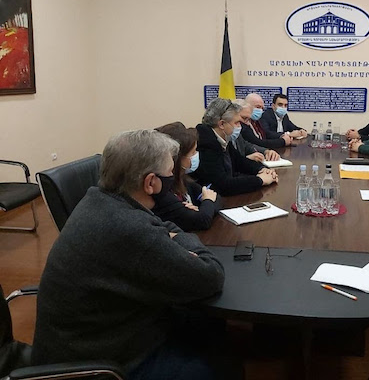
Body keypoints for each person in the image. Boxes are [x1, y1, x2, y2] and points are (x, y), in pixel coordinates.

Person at [33, 129, 229, 380]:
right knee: (222, 365)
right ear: (150, 182)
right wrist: (182, 238)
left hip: (92, 335)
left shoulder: (99, 198)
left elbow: (161, 225)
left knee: (206, 323)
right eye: (170, 173)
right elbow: (210, 275)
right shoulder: (128, 228)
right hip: (98, 362)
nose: (172, 178)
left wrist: (169, 235)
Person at [193, 98, 278, 196]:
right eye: (236, 122)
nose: (239, 126)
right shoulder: (205, 143)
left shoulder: (223, 138)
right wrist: (260, 180)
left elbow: (239, 161)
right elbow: (224, 185)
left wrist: (262, 169)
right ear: (221, 124)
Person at [153, 122, 222, 231]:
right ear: (177, 158)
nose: (196, 155)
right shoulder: (162, 191)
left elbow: (215, 197)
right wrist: (207, 202)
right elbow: (202, 221)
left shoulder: (183, 179)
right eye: (193, 152)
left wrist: (203, 207)